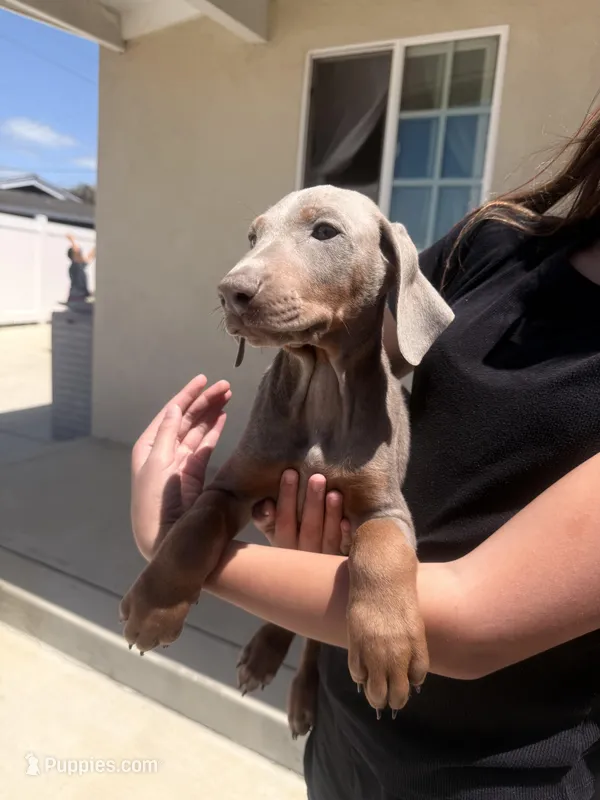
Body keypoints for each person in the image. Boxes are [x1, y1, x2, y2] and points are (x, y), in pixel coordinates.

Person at [128, 105, 600, 799]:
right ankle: (304, 659)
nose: (240, 273)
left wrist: (170, 553)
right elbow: (350, 348)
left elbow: (471, 623)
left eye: (322, 233)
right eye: (255, 239)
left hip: (503, 776)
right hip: (347, 735)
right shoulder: (494, 248)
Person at [66, 234, 95, 306]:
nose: (81, 255)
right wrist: (72, 240)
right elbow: (76, 250)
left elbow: (90, 256)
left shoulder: (80, 265)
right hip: (76, 299)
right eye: (79, 254)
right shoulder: (74, 267)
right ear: (74, 257)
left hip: (80, 298)